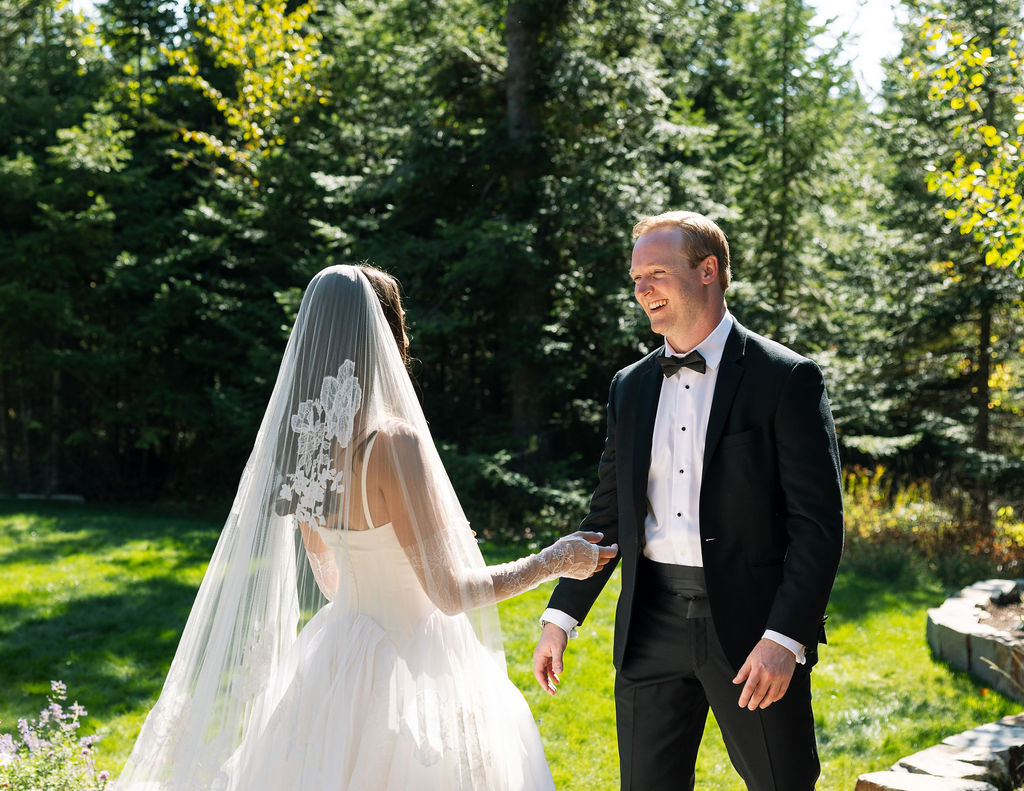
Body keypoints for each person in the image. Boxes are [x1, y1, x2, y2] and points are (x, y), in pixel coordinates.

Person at [115, 264, 617, 791]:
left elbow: (333, 581)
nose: (406, 339)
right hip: (414, 664)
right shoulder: (393, 443)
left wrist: (404, 556)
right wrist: (554, 560)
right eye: (400, 325)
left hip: (340, 657)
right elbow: (450, 595)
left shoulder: (307, 444)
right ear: (384, 335)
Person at [532, 211, 844, 790]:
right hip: (649, 624)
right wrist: (561, 617)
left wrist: (785, 637)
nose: (642, 289)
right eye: (635, 278)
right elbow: (609, 516)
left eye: (656, 272)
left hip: (753, 630)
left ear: (708, 271)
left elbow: (818, 526)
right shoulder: (629, 387)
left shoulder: (785, 378)